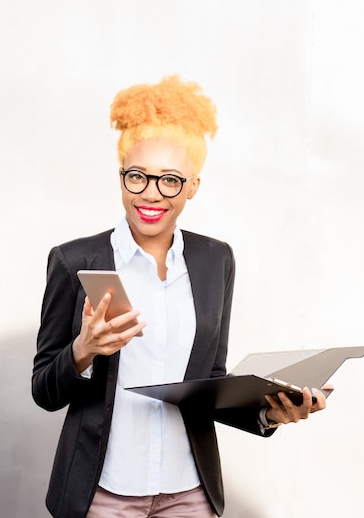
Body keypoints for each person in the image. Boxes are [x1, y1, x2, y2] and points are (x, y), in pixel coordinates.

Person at [32, 75, 328, 518]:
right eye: (138, 177)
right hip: (102, 494)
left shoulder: (215, 261)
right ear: (121, 177)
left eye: (170, 180)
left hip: (190, 493)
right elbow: (44, 389)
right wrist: (83, 351)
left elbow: (210, 380)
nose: (151, 194)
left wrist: (270, 414)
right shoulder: (75, 260)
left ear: (193, 186)